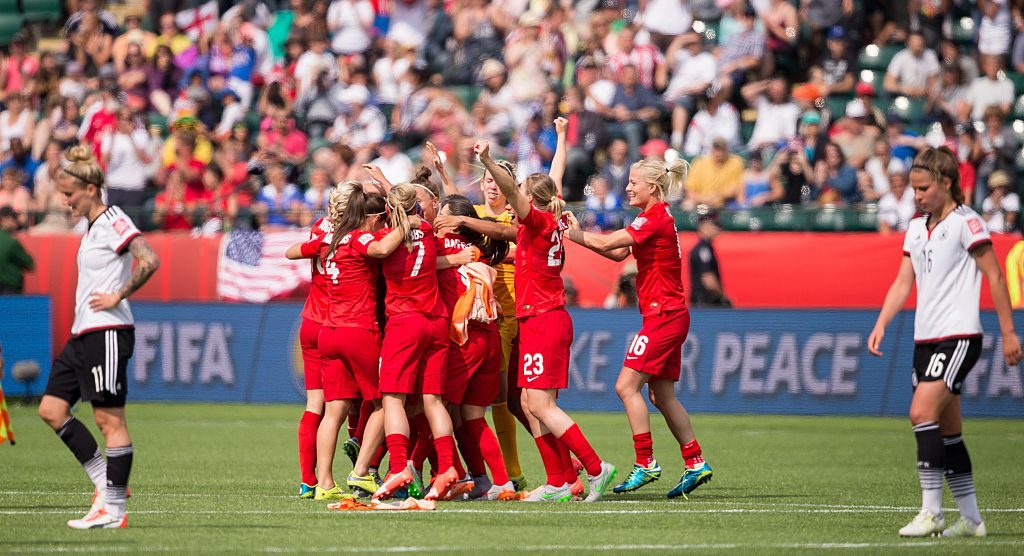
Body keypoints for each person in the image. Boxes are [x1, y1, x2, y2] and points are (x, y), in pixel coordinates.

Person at [868, 146, 1022, 538]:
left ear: (947, 183)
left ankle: (931, 511)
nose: (916, 196)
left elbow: (996, 277)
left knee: (921, 413)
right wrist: (882, 323)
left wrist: (1007, 332)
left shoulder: (967, 223)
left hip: (958, 336)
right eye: (915, 189)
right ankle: (971, 520)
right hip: (926, 339)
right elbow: (904, 282)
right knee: (949, 430)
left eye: (923, 188)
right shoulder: (917, 227)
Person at [475, 139, 616, 503]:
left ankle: (596, 469)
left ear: (529, 200)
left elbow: (513, 189)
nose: (514, 196)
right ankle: (560, 481)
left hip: (543, 318)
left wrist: (489, 161)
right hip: (542, 318)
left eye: (520, 193)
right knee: (526, 402)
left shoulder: (536, 220)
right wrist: (562, 137)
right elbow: (553, 176)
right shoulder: (550, 217)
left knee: (541, 405)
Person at [565, 157, 713, 498]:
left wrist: (570, 233)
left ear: (653, 187)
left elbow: (605, 244)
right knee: (661, 395)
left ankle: (645, 462)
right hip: (670, 314)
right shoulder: (656, 218)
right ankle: (695, 462)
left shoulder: (654, 217)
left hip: (663, 316)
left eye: (634, 182)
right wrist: (579, 235)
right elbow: (618, 255)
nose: (628, 187)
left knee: (625, 387)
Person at [37, 145, 160, 529]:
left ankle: (114, 509)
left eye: (70, 193)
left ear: (91, 189)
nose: (66, 200)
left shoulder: (113, 219)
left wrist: (118, 294)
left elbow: (149, 258)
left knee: (109, 420)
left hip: (106, 329)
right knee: (51, 410)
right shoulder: (90, 228)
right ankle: (107, 490)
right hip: (82, 333)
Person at [286, 183, 391, 501]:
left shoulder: (321, 229)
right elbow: (385, 249)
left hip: (316, 324)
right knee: (385, 400)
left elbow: (292, 251)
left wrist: (313, 246)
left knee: (325, 407)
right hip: (347, 324)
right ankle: (364, 469)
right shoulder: (361, 236)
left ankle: (315, 482)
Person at [365, 184, 460, 502]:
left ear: (391, 210)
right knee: (433, 400)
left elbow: (377, 252)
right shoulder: (429, 231)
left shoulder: (385, 239)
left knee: (392, 399)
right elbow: (432, 261)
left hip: (405, 322)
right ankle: (447, 467)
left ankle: (398, 468)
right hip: (436, 321)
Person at [434, 194, 517, 500]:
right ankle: (496, 481)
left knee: (435, 409)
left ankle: (448, 475)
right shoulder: (481, 249)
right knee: (472, 416)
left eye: (440, 213)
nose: (435, 219)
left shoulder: (440, 245)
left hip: (464, 338)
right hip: (488, 338)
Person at [689, 213, 730, 307]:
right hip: (706, 304)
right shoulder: (703, 249)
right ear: (704, 227)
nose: (717, 228)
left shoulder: (706, 248)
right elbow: (708, 280)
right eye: (714, 224)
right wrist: (723, 297)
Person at [0, 206, 33, 294]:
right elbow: (30, 264)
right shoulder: (11, 241)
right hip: (9, 290)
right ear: (4, 219)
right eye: (13, 218)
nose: (16, 221)